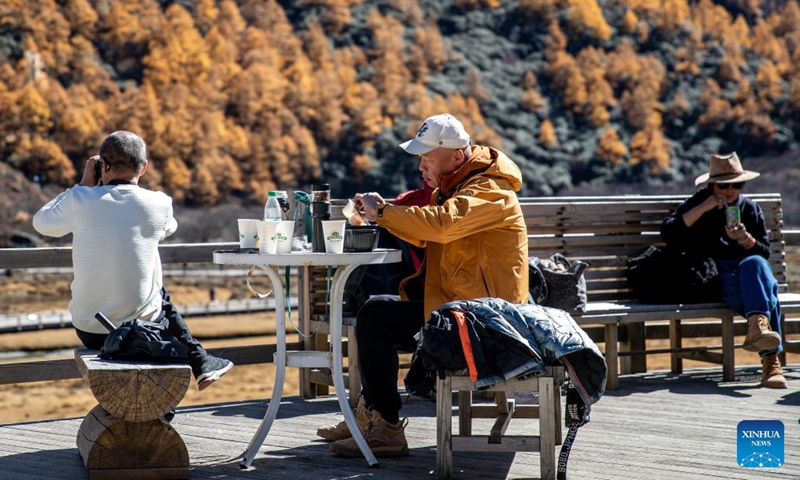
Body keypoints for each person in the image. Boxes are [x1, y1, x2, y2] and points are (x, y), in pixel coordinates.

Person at [318, 113, 529, 457]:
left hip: (487, 321)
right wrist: (380, 212)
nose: (421, 166)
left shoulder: (489, 191)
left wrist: (383, 213)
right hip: (463, 310)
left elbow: (443, 226)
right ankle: (372, 417)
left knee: (375, 317)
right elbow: (429, 235)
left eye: (428, 157)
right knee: (376, 312)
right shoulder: (459, 187)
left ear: (457, 156)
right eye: (420, 158)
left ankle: (383, 425)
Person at [33, 131, 233, 391]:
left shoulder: (81, 200)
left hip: (91, 331)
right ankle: (201, 361)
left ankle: (201, 362)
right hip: (142, 330)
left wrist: (82, 185)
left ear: (102, 166)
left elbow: (41, 222)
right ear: (144, 167)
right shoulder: (159, 203)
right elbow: (168, 228)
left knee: (155, 287)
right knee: (157, 289)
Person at [661, 152, 786, 389]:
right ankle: (770, 360)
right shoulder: (700, 202)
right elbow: (668, 232)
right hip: (715, 276)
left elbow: (763, 251)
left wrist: (744, 238)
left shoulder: (749, 208)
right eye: (724, 185)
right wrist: (706, 206)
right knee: (768, 294)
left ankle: (757, 325)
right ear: (712, 185)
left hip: (747, 275)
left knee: (755, 263)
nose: (730, 191)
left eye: (737, 185)